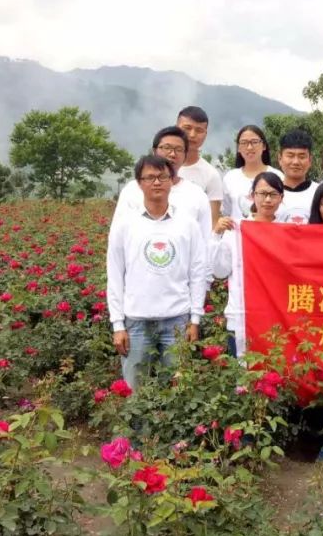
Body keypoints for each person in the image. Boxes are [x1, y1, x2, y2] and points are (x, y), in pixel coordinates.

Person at [107, 155, 209, 389]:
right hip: (136, 323)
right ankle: (137, 428)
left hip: (177, 322)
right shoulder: (125, 224)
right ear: (139, 183)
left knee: (176, 392)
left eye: (163, 176)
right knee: (135, 393)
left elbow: (197, 273)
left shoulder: (187, 224)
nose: (156, 183)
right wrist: (118, 324)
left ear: (172, 181)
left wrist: (195, 319)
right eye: (150, 177)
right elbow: (115, 274)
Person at [209, 172, 285, 357]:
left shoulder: (287, 231)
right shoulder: (237, 230)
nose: (267, 200)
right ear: (252, 195)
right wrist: (216, 235)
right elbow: (219, 271)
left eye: (273, 194)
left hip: (278, 316)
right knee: (243, 380)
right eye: (262, 194)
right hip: (242, 316)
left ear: (281, 198)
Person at [113, 127, 213, 245]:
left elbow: (205, 241)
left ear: (185, 155)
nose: (172, 154)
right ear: (154, 151)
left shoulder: (196, 195)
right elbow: (117, 237)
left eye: (179, 149)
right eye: (166, 148)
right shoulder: (132, 190)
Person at [222, 125, 284, 221]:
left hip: (268, 233)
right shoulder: (230, 177)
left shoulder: (278, 176)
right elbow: (227, 212)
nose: (249, 147)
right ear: (238, 148)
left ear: (264, 146)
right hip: (238, 234)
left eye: (254, 142)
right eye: (244, 143)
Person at [176, 106, 225, 223]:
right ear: (176, 128)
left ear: (205, 134)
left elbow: (213, 224)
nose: (192, 135)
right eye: (187, 128)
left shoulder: (211, 175)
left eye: (199, 130)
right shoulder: (160, 169)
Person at [277, 129, 318, 224]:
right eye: (290, 156)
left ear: (310, 160)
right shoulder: (270, 194)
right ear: (280, 158)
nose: (296, 162)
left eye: (302, 156)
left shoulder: (321, 193)